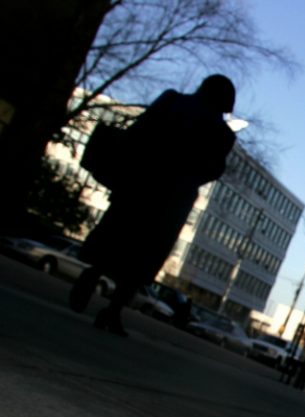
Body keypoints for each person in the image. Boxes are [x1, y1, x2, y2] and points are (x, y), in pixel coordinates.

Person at [70, 75, 237, 336]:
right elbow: (213, 169)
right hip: (171, 200)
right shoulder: (222, 134)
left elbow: (138, 131)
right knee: (144, 256)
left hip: (138, 184)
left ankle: (94, 273)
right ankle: (113, 310)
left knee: (117, 235)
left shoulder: (172, 101)